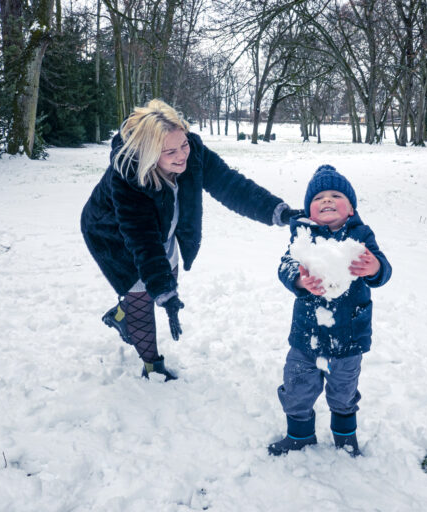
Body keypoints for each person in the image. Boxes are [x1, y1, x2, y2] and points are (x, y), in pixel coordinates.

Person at [81, 99, 299, 380]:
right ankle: (152, 366)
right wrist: (164, 293)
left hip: (160, 225)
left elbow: (230, 185)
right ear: (149, 153)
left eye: (183, 144)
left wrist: (278, 212)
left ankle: (123, 313)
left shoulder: (192, 152)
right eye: (170, 151)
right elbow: (143, 241)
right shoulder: (128, 177)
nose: (182, 155)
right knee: (142, 292)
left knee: (165, 276)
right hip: (112, 234)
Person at [268, 165, 391, 457]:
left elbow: (383, 270)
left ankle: (345, 438)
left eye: (336, 196)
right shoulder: (303, 236)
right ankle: (299, 436)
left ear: (351, 209)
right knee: (297, 389)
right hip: (306, 336)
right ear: (309, 211)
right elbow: (286, 265)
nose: (327, 200)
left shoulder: (360, 235)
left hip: (348, 336)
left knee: (344, 394)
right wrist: (299, 280)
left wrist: (374, 267)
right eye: (318, 197)